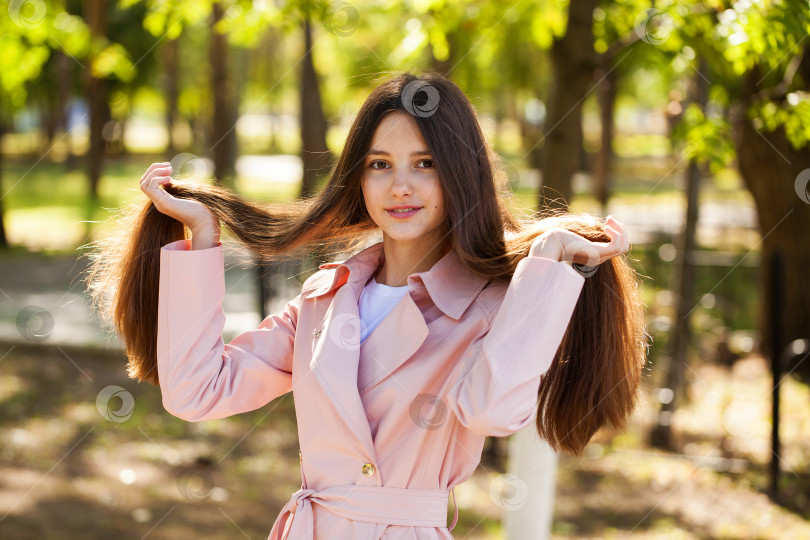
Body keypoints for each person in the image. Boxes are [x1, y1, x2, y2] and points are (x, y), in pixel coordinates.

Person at [85, 71, 647, 540]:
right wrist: (201, 239)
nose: (400, 185)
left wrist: (545, 263)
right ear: (358, 177)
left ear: (461, 173)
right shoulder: (324, 298)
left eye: (424, 164)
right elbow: (196, 390)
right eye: (379, 164)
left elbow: (491, 411)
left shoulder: (492, 304)